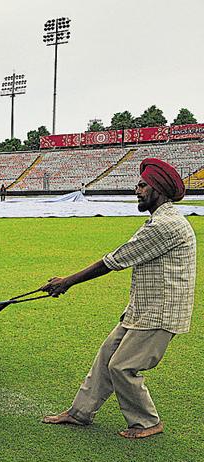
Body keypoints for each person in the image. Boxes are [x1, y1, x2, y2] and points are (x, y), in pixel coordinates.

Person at [40, 158, 195, 439]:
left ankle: (147, 422)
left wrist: (67, 282)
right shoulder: (160, 220)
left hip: (160, 313)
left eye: (142, 185)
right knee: (106, 357)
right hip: (142, 309)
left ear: (157, 190)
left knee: (122, 366)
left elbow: (115, 260)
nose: (136, 190)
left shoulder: (166, 225)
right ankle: (80, 413)